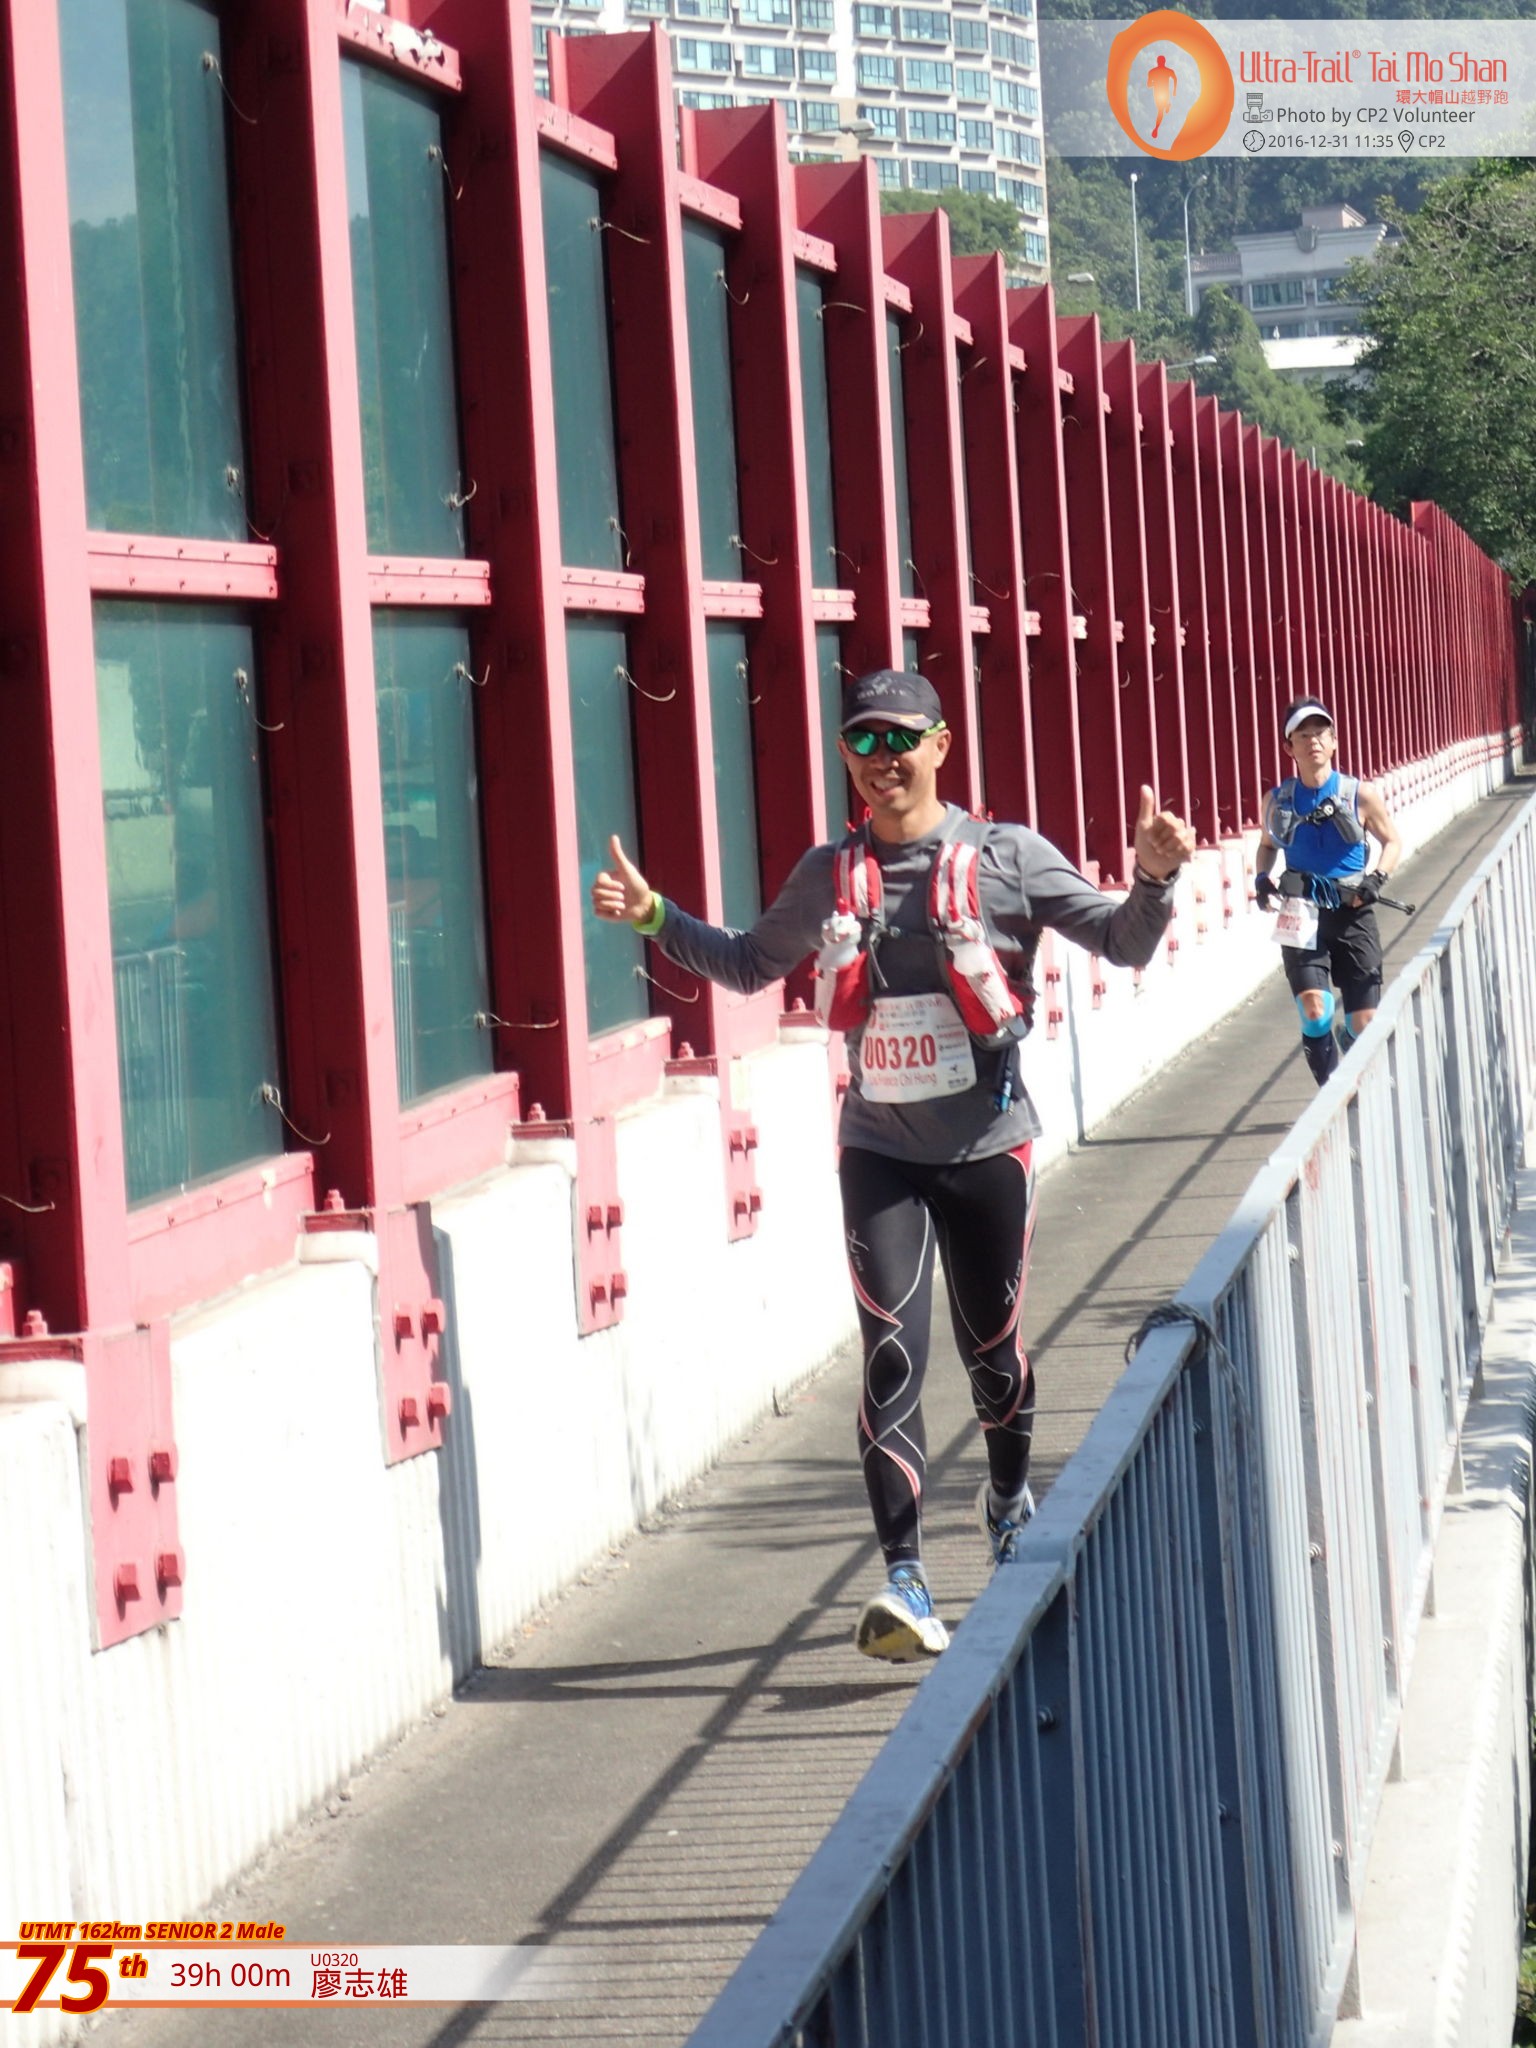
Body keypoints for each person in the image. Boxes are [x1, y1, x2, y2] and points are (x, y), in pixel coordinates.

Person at [590, 669, 1195, 1663]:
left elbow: (1122, 943)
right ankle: (906, 1577)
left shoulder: (1007, 858)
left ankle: (1007, 1496)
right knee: (890, 1353)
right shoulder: (829, 874)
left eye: (900, 739)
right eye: (863, 743)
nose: (882, 761)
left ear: (941, 745)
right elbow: (747, 962)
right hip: (879, 1153)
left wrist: (1155, 879)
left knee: (993, 1355)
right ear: (845, 756)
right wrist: (656, 915)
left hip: (988, 1150)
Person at [1253, 696, 1403, 1087]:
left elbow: (1392, 842)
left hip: (1352, 910)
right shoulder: (1277, 801)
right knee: (1315, 1011)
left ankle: (1350, 1040)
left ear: (1334, 742)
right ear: (1289, 747)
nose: (1313, 741)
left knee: (1364, 1024)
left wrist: (1376, 879)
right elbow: (1267, 846)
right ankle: (1332, 1094)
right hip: (1300, 912)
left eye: (1321, 733)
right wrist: (1261, 878)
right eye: (1302, 735)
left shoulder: (1359, 795)